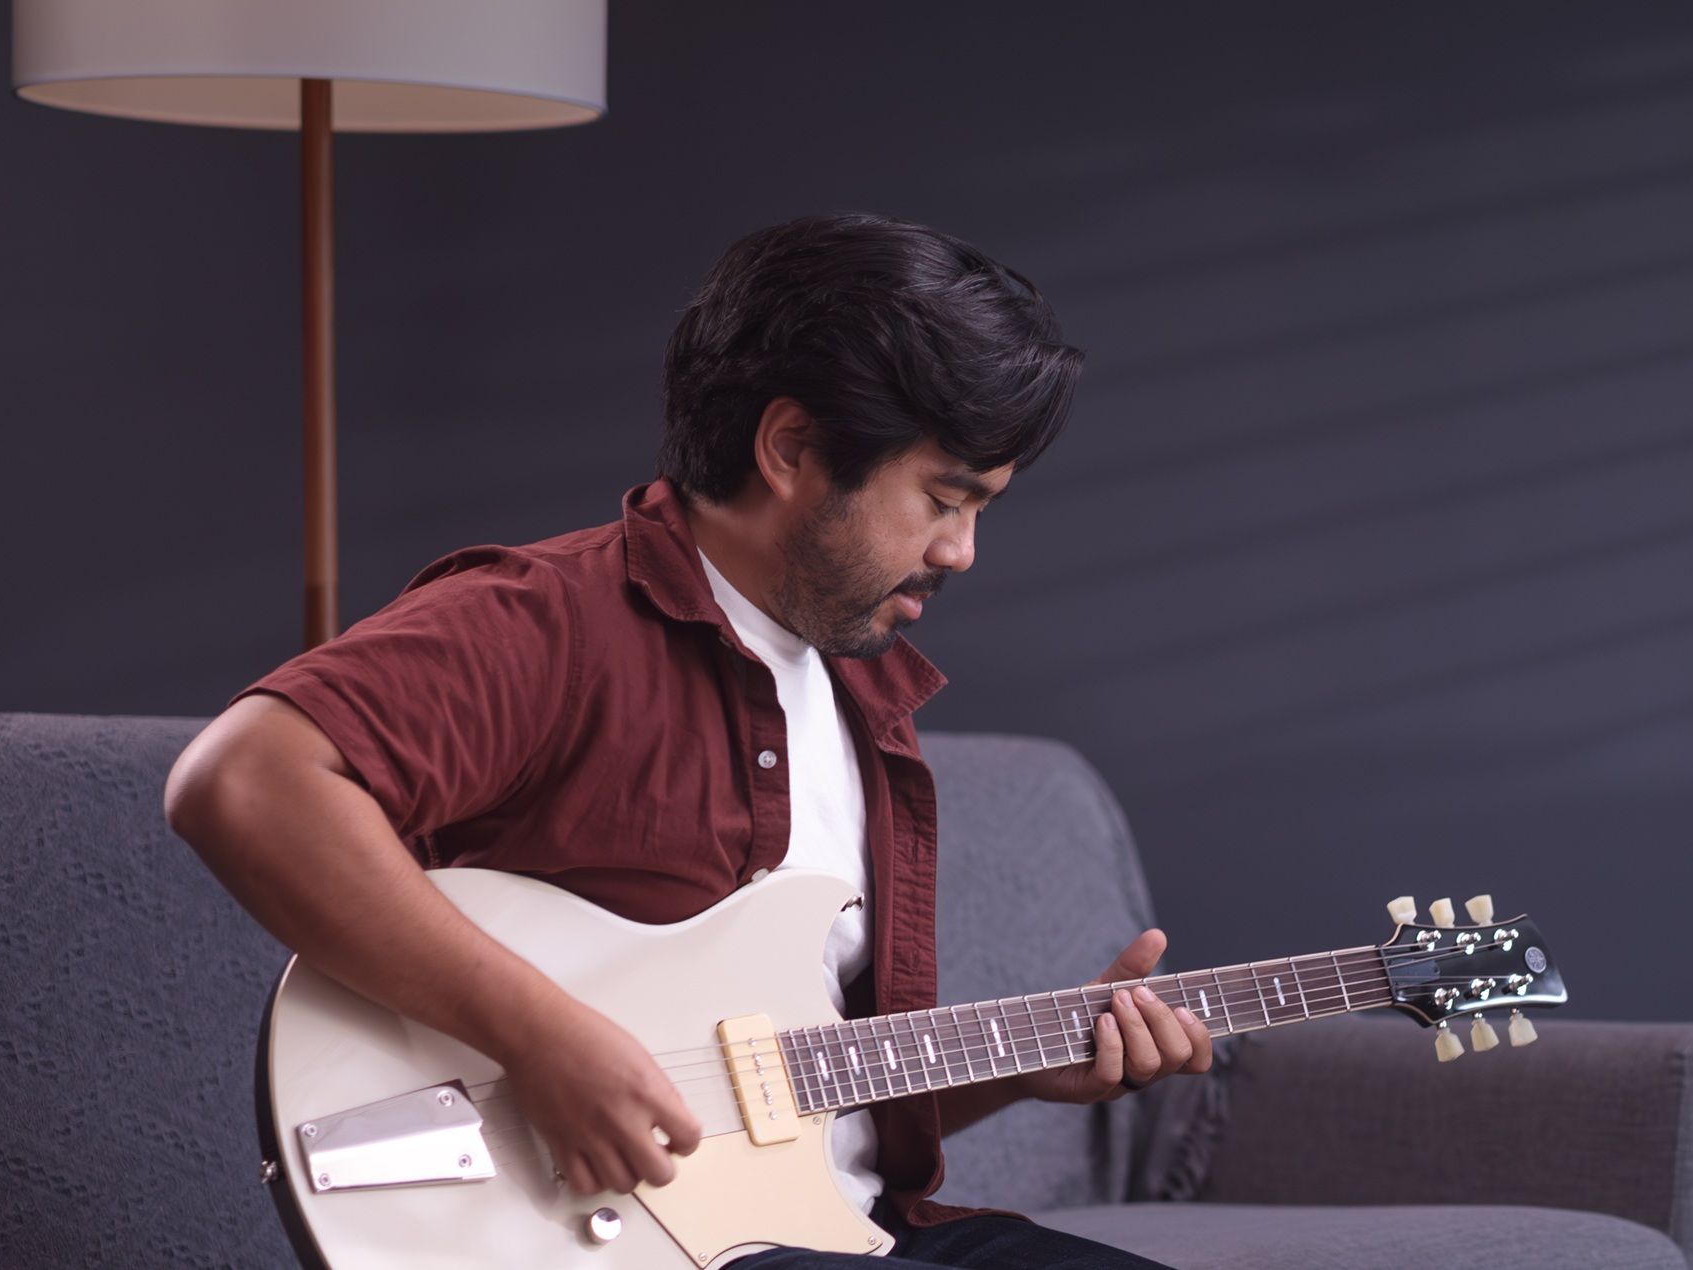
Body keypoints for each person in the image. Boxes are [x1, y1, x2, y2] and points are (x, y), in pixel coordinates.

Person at [165, 211, 1210, 1269]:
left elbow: (779, 1093)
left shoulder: (865, 700)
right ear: (791, 447)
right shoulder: (552, 618)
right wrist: (537, 1037)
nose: (962, 550)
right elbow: (244, 780)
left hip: (845, 1236)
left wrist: (1034, 1060)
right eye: (943, 498)